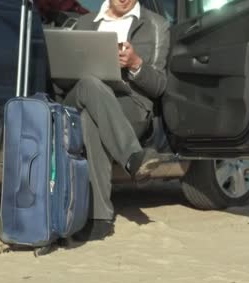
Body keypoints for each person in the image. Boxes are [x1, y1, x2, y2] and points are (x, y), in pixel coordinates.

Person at [63, 0, 170, 241]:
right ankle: (133, 157)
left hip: (130, 104)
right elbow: (62, 78)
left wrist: (136, 64)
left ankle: (99, 219)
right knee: (90, 84)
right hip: (81, 93)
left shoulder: (156, 25)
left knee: (92, 120)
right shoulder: (83, 23)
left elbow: (159, 86)